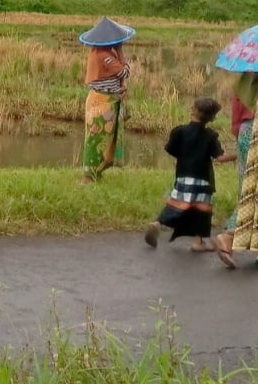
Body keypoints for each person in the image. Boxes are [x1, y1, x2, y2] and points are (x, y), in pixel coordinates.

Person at [146, 98, 232, 251]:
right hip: (203, 180)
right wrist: (237, 155)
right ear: (212, 118)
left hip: (183, 177)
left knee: (176, 204)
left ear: (192, 110)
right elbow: (219, 157)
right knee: (201, 212)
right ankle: (198, 243)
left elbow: (171, 150)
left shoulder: (179, 131)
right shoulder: (211, 135)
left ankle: (157, 223)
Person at [79, 17, 134, 183]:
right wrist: (121, 52)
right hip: (102, 101)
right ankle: (88, 177)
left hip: (105, 99)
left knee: (105, 138)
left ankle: (97, 172)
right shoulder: (106, 56)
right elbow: (125, 72)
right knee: (97, 137)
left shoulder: (100, 51)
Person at [214, 75, 256, 268]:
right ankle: (229, 236)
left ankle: (233, 238)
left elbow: (236, 120)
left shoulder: (246, 76)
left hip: (245, 131)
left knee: (247, 190)